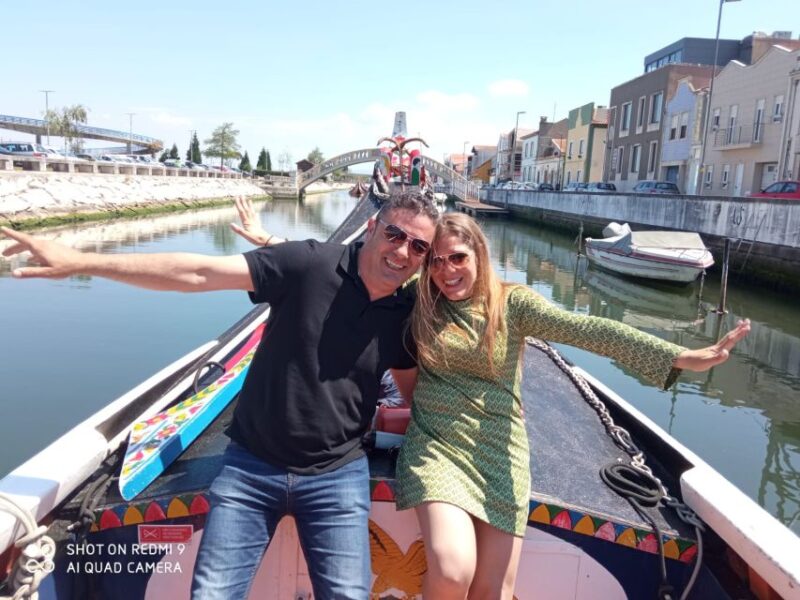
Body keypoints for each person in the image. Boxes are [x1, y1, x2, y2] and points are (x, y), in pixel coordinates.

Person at [0, 190, 439, 600]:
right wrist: (81, 262)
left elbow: (413, 395)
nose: (402, 251)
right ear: (372, 229)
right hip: (251, 469)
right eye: (395, 234)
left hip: (336, 476)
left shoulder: (402, 318)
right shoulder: (308, 264)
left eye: (418, 247)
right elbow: (198, 272)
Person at [390, 212, 750, 600]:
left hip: (498, 448)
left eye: (458, 257)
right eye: (437, 261)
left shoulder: (511, 304)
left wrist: (679, 356)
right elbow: (380, 285)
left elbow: (585, 329)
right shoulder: (421, 298)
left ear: (478, 253)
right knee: (450, 570)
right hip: (438, 447)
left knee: (492, 591)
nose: (447, 271)